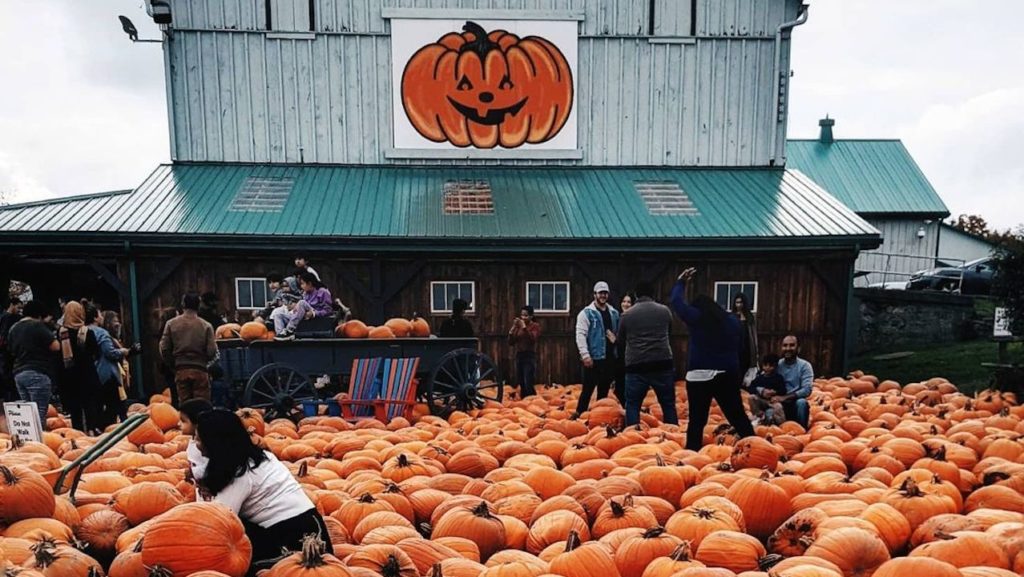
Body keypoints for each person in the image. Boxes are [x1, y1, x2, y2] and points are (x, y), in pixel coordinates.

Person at [194, 410, 328, 572]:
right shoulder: (262, 456)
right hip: (314, 528)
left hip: (290, 539)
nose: (195, 443)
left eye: (199, 438)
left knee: (227, 541)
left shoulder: (240, 474)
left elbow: (218, 521)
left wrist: (199, 490)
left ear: (214, 443)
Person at [670, 268, 755, 451]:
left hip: (699, 375)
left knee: (697, 421)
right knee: (737, 415)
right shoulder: (733, 322)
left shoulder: (697, 318)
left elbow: (677, 303)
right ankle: (754, 446)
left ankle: (693, 453)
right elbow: (740, 347)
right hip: (727, 374)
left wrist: (681, 282)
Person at [617, 282, 677, 427]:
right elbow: (669, 333)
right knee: (668, 403)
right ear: (653, 294)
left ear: (636, 296)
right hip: (662, 362)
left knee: (632, 403)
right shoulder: (665, 311)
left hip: (636, 365)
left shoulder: (627, 315)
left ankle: (632, 434)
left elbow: (621, 340)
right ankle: (673, 434)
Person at [7, 300, 59, 426]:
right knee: (39, 412)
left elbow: (10, 349)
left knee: (28, 412)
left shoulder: (13, 328)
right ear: (39, 315)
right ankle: (39, 441)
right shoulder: (37, 326)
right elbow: (55, 346)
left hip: (19, 373)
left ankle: (30, 440)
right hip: (38, 371)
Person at [160, 294, 218, 404]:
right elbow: (212, 351)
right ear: (198, 305)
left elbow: (164, 348)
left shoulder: (171, 324)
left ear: (183, 304)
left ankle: (187, 420)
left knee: (184, 404)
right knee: (202, 404)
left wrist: (173, 364)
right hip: (200, 369)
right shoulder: (206, 326)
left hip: (181, 369)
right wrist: (205, 361)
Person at [573, 281, 620, 419]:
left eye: (605, 293)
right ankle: (580, 413)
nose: (603, 295)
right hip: (594, 357)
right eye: (600, 293)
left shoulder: (614, 313)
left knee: (604, 389)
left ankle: (599, 416)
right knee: (587, 388)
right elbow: (580, 335)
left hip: (609, 356)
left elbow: (619, 333)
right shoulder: (586, 313)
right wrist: (585, 354)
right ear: (594, 294)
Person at [56, 301, 103, 433]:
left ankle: (78, 431)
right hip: (86, 373)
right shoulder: (87, 332)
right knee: (89, 404)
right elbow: (96, 353)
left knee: (74, 406)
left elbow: (57, 355)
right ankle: (91, 429)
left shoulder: (61, 333)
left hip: (68, 375)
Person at [89, 308, 131, 428]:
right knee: (114, 404)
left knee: (97, 405)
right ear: (95, 318)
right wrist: (123, 351)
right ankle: (112, 428)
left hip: (92, 373)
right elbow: (109, 352)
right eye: (99, 315)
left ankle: (97, 428)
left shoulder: (82, 331)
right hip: (106, 373)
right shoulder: (101, 333)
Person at [274, 272, 333, 341]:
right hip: (303, 316)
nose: (301, 286)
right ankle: (281, 334)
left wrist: (314, 313)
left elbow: (328, 310)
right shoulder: (305, 293)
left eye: (302, 284)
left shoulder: (323, 292)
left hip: (314, 315)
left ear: (309, 283)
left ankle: (289, 331)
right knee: (278, 315)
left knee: (301, 302)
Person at [777, 335, 813, 428]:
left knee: (801, 403)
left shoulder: (805, 366)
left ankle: (801, 432)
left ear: (798, 348)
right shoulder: (776, 365)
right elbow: (761, 380)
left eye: (792, 345)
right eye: (785, 345)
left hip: (795, 402)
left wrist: (785, 397)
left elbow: (807, 390)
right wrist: (763, 391)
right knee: (769, 410)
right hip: (779, 403)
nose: (788, 348)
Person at [508, 305, 541, 398]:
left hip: (529, 355)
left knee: (528, 380)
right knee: (521, 381)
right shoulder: (518, 327)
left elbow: (532, 339)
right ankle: (524, 400)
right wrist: (512, 330)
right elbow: (511, 342)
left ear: (531, 316)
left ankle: (532, 399)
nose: (523, 317)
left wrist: (524, 328)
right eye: (522, 315)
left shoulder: (535, 326)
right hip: (520, 355)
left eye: (526, 315)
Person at [746, 353, 787, 426]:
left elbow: (783, 390)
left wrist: (775, 392)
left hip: (773, 401)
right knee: (751, 397)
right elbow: (750, 388)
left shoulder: (778, 378)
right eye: (765, 365)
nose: (767, 368)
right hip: (762, 401)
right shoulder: (759, 378)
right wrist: (761, 390)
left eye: (770, 366)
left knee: (778, 407)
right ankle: (759, 415)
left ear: (775, 367)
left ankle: (782, 425)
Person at [178, 397, 213, 480]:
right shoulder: (193, 441)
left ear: (197, 423)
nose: (178, 424)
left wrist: (193, 472)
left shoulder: (204, 447)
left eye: (183, 421)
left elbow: (210, 468)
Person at [732, 292, 759, 387]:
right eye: (737, 302)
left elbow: (753, 335)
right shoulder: (732, 317)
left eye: (741, 302)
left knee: (746, 371)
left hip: (747, 347)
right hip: (736, 348)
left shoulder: (750, 317)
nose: (739, 305)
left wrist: (755, 352)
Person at [0, 297, 24, 402]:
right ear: (12, 305)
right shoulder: (9, 318)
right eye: (18, 307)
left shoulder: (2, 317)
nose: (19, 310)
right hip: (8, 354)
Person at [613, 292, 635, 403]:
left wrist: (615, 340)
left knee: (628, 386)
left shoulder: (633, 319)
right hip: (619, 357)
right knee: (619, 387)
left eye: (629, 302)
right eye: (624, 301)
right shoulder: (618, 317)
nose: (626, 304)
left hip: (631, 356)